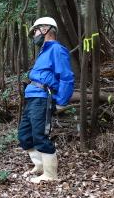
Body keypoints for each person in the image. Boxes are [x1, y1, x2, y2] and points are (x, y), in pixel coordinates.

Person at [18, 17, 75, 183]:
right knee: (24, 135)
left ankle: (50, 174)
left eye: (35, 30)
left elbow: (66, 77)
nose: (34, 34)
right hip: (32, 98)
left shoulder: (57, 49)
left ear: (46, 29)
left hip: (43, 99)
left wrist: (61, 101)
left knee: (39, 135)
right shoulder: (44, 51)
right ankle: (40, 165)